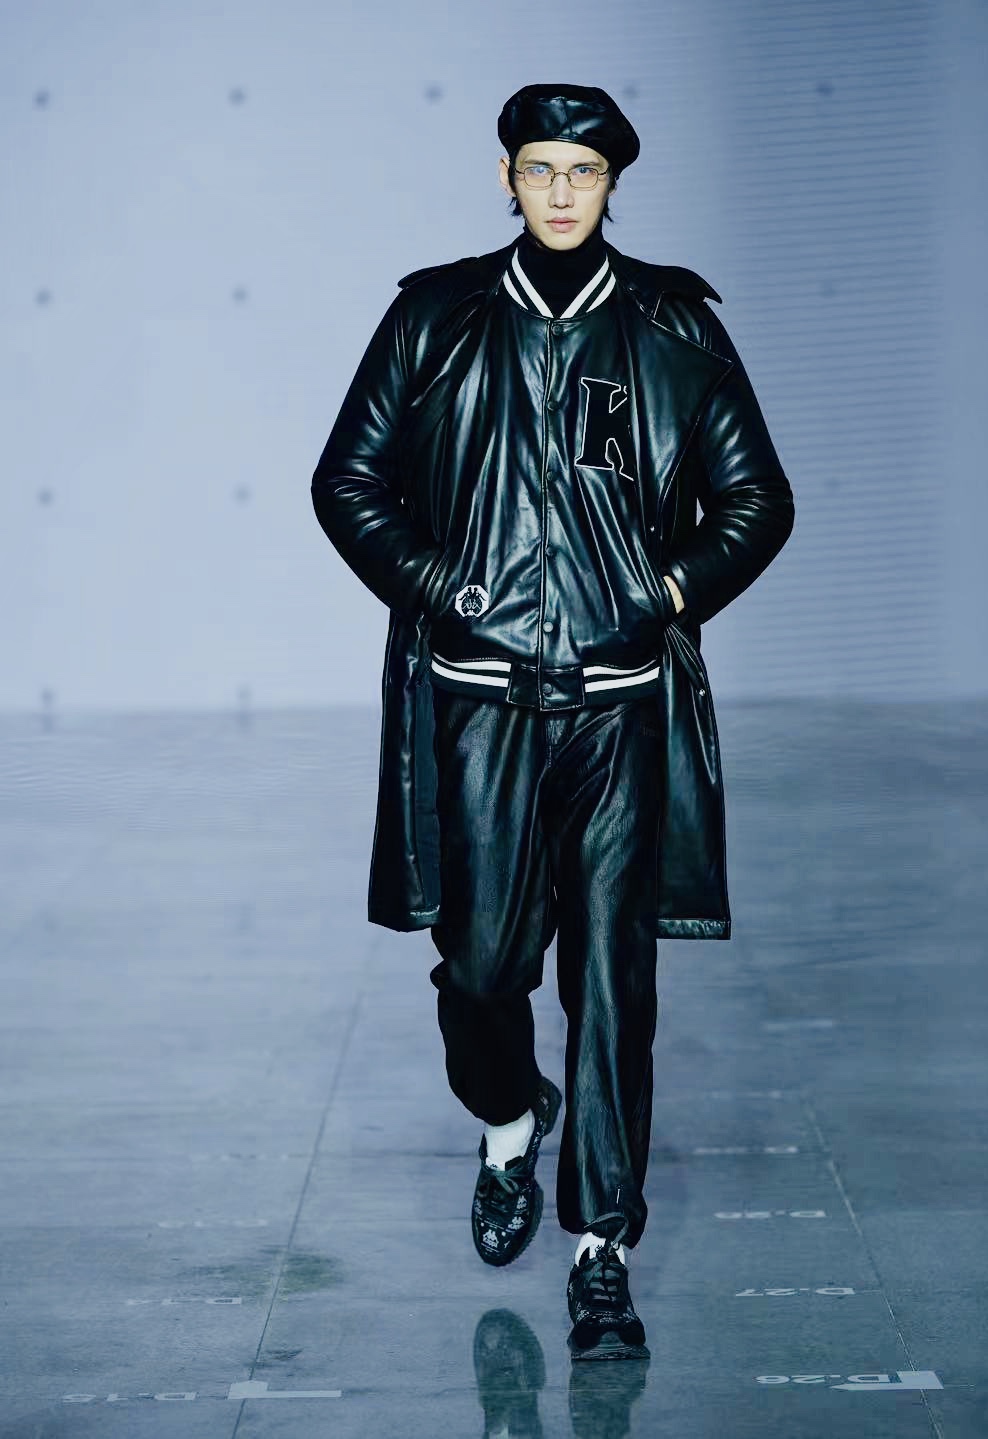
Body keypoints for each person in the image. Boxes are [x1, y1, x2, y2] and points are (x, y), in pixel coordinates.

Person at [311, 82, 794, 1362]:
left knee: (612, 983)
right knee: (480, 967)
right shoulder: (435, 317)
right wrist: (443, 585)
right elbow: (346, 479)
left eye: (585, 170)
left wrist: (661, 594)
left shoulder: (673, 325)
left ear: (613, 183)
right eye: (541, 168)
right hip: (479, 700)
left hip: (620, 710)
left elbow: (759, 498)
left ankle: (601, 1253)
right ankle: (509, 1116)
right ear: (508, 178)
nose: (563, 190)